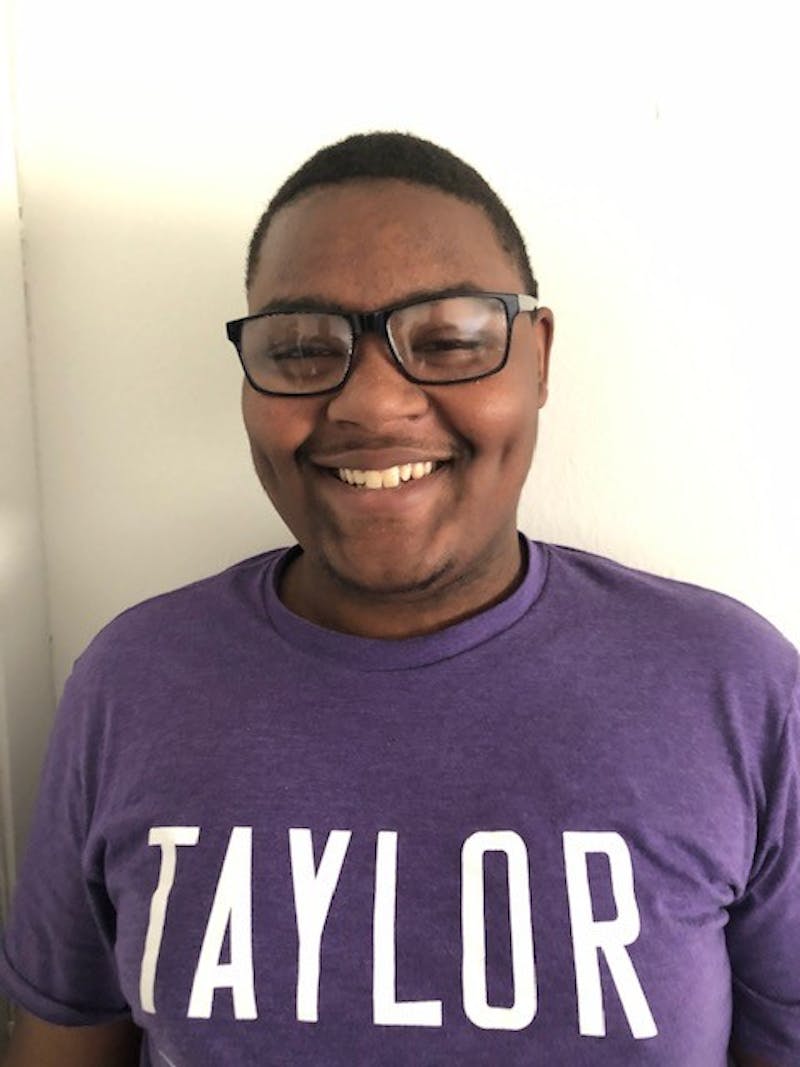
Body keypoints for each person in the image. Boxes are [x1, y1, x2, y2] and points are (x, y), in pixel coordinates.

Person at [0, 132, 797, 1067]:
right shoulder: (133, 684)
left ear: (538, 358)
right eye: (302, 348)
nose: (375, 406)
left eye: (449, 340)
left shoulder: (731, 688)